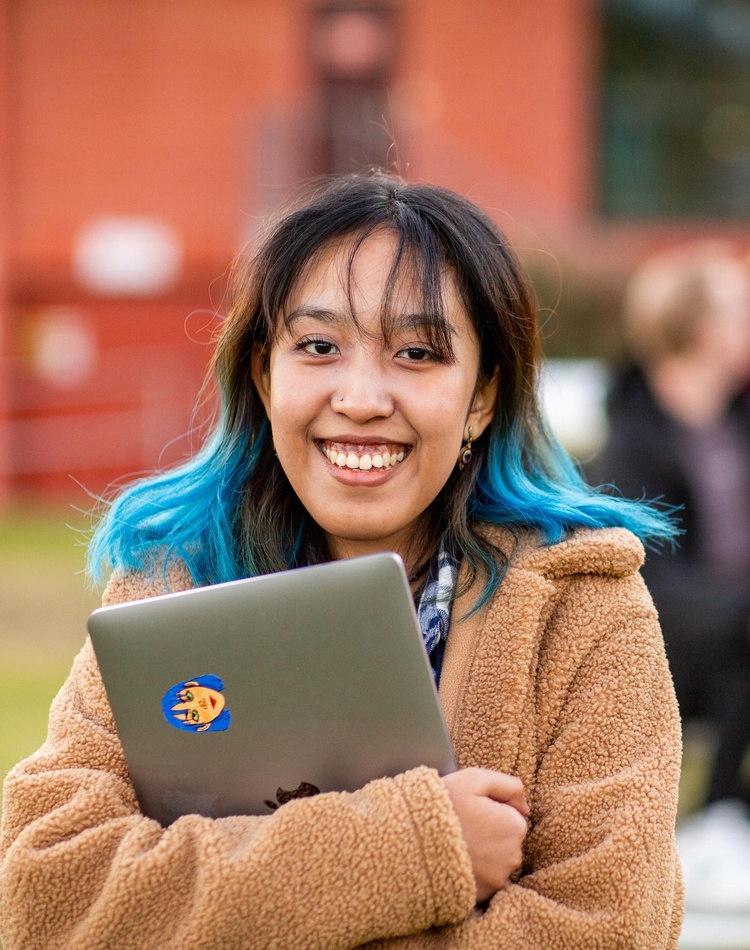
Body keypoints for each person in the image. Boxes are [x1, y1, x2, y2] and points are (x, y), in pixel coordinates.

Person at [0, 172, 683, 948]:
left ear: (483, 396)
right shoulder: (172, 581)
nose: (360, 397)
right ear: (264, 375)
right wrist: (419, 848)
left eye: (418, 353)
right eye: (319, 346)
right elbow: (47, 895)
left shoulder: (585, 608)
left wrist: (211, 912)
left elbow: (605, 928)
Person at [589, 242, 750, 911]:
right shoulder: (629, 446)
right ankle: (722, 824)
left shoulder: (738, 423)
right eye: (739, 309)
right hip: (666, 647)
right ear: (703, 330)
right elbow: (647, 585)